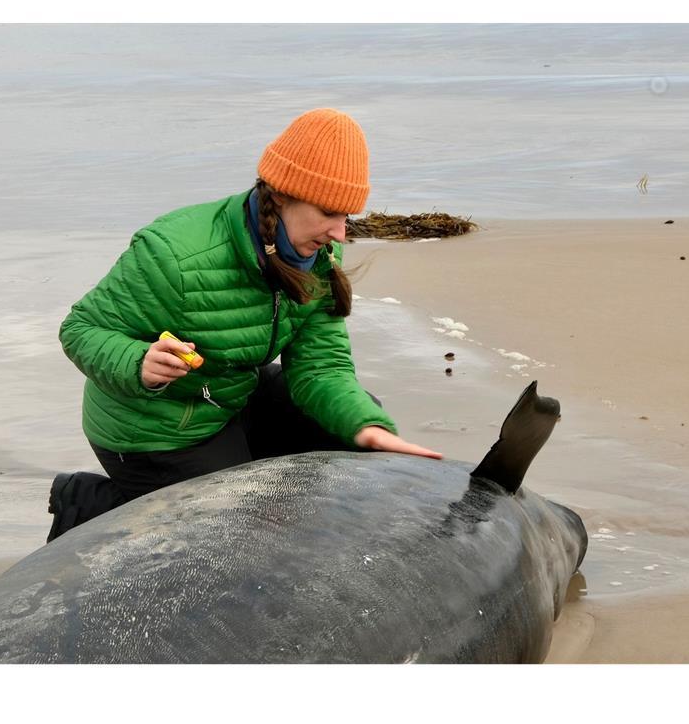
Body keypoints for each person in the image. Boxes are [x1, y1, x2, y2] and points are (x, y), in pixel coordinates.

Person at [48, 108, 442, 541]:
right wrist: (138, 362)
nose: (340, 233)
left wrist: (366, 427)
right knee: (237, 534)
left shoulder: (319, 256)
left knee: (349, 432)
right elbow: (81, 329)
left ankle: (246, 477)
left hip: (229, 398)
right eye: (329, 212)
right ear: (283, 195)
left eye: (346, 216)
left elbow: (320, 367)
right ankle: (96, 505)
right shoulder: (175, 255)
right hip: (153, 430)